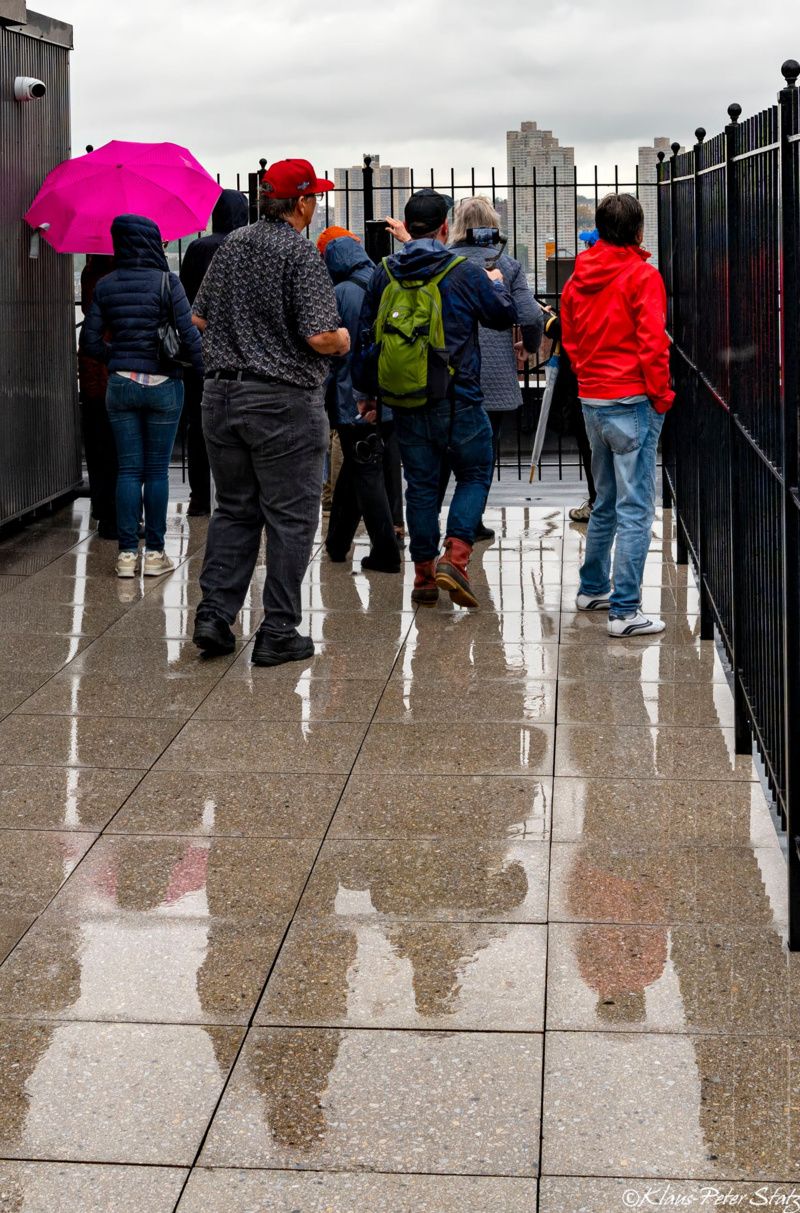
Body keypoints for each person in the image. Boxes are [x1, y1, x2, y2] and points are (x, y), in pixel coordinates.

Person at [190, 158, 349, 666]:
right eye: (314, 198)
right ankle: (278, 629)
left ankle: (215, 615)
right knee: (290, 517)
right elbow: (321, 335)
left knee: (234, 509)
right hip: (283, 403)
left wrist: (240, 343)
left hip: (221, 397)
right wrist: (344, 339)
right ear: (300, 203)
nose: (316, 206)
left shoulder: (231, 244)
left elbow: (197, 318)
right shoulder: (299, 255)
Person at [355, 190, 517, 609]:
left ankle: (424, 575)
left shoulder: (384, 272)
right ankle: (457, 556)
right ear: (445, 228)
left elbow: (366, 338)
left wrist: (367, 395)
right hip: (459, 397)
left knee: (422, 487)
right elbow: (502, 317)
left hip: (405, 401)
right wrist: (497, 286)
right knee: (476, 472)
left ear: (409, 226)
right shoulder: (463, 271)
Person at [560, 192, 674, 636]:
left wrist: (590, 376)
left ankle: (593, 587)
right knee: (636, 507)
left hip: (594, 399)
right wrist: (661, 396)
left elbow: (570, 340)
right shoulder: (643, 277)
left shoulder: (576, 279)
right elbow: (653, 344)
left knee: (605, 500)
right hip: (633, 399)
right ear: (639, 232)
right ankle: (625, 611)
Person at [81, 214, 203, 578]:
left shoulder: (106, 284)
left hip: (120, 385)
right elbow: (189, 336)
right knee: (157, 471)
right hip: (164, 385)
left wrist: (116, 359)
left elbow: (88, 341)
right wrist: (201, 373)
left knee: (128, 470)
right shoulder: (169, 282)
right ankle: (154, 553)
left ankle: (125, 555)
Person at [443, 196, 543, 541]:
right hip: (496, 373)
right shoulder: (508, 265)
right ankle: (472, 519)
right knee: (485, 454)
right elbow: (530, 316)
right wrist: (529, 346)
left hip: (448, 371)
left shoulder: (444, 262)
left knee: (444, 451)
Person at [318, 226, 400, 573]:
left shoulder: (339, 293)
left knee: (364, 468)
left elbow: (331, 351)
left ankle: (386, 550)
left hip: (352, 397)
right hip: (390, 393)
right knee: (356, 465)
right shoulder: (389, 284)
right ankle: (337, 542)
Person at [179, 189, 249, 516]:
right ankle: (236, 495)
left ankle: (199, 497)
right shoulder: (249, 248)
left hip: (202, 350)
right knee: (243, 424)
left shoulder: (198, 248)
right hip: (244, 354)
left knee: (199, 424)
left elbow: (186, 298)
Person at [78, 254, 116, 538]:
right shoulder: (115, 277)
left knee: (96, 440)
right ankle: (114, 512)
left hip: (92, 372)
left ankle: (101, 506)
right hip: (112, 369)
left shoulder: (90, 273)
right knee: (118, 447)